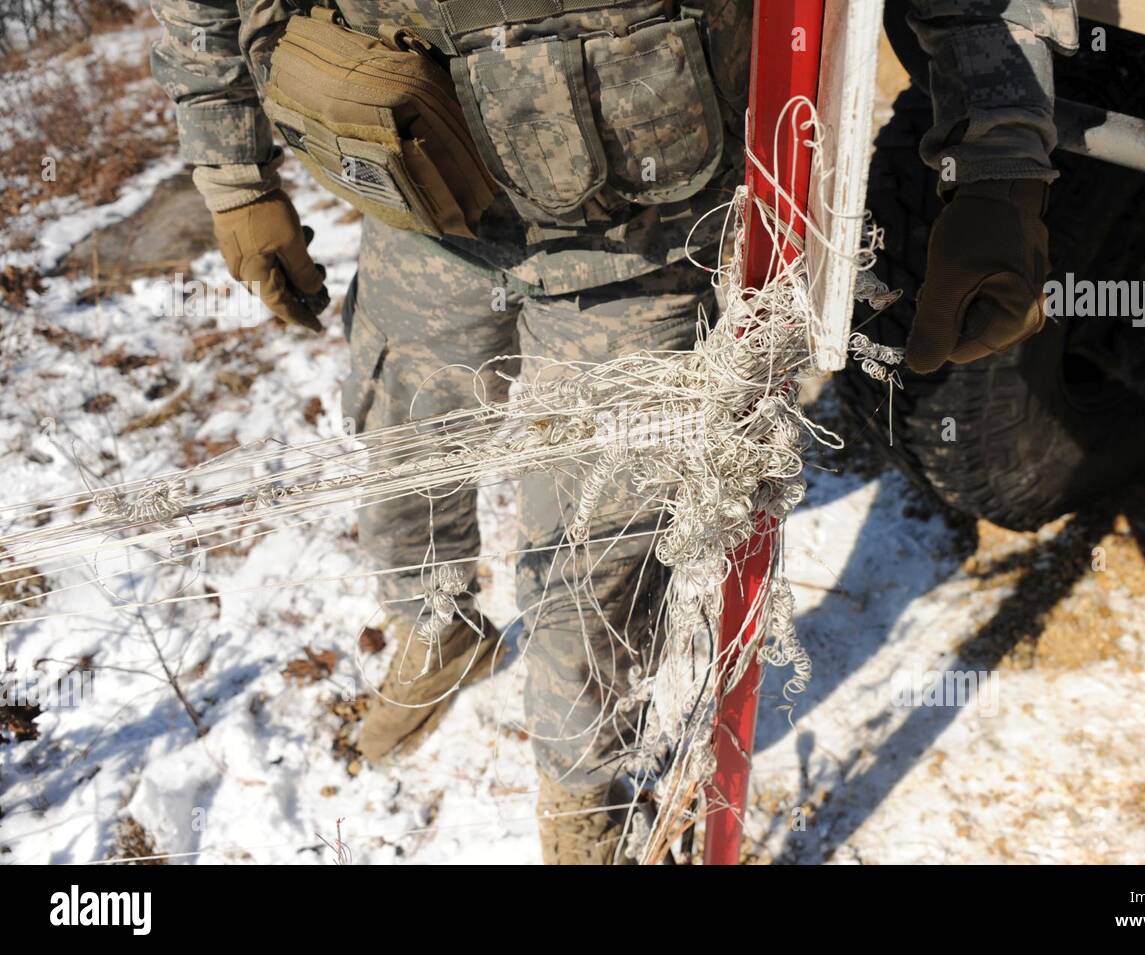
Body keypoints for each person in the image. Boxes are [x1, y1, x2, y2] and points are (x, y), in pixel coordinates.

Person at [148, 0, 1076, 863]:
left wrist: (999, 167)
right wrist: (232, 173)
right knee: (403, 455)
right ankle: (437, 627)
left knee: (597, 554)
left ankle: (584, 787)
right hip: (413, 197)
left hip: (642, 242)